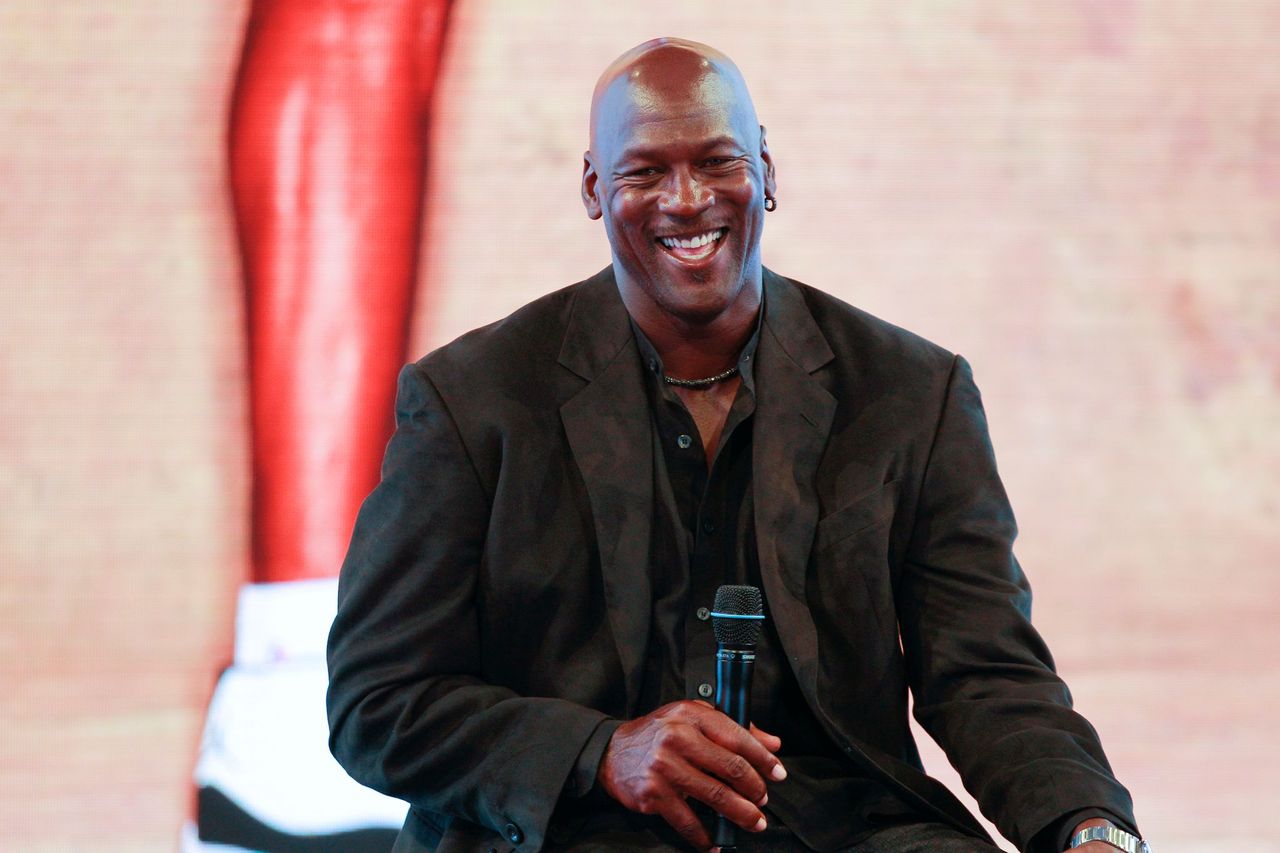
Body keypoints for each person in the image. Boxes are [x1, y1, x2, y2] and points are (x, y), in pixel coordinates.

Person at [326, 38, 1147, 853]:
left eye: (718, 162)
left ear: (768, 172)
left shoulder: (909, 392)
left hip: (842, 828)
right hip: (572, 826)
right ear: (590, 187)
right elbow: (379, 699)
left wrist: (1087, 825)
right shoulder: (473, 398)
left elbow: (986, 671)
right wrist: (599, 750)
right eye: (645, 171)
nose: (686, 200)